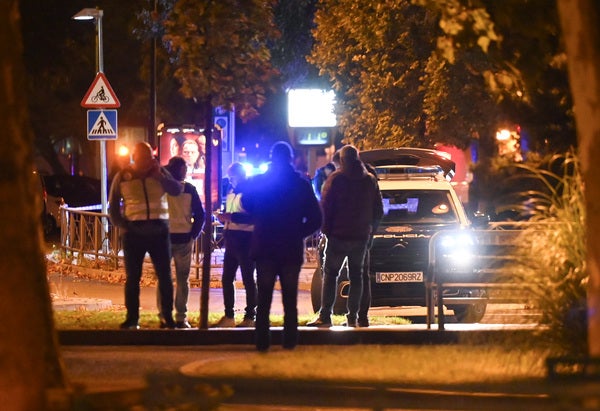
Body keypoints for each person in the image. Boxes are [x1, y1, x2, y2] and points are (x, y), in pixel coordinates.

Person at [242, 141, 322, 351]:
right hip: (290, 247)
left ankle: (262, 342)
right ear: (290, 158)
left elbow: (246, 203)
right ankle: (290, 342)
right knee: (289, 297)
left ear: (271, 157)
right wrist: (299, 233)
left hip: (265, 245)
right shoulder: (301, 184)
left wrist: (260, 218)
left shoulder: (260, 182)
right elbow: (315, 218)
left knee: (264, 296)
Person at [108, 142, 183, 329]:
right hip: (134, 233)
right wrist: (123, 225)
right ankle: (132, 318)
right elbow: (113, 204)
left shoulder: (160, 173)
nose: (147, 161)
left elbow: (177, 190)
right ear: (135, 158)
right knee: (133, 278)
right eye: (143, 157)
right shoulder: (124, 176)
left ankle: (167, 317)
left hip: (159, 231)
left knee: (164, 276)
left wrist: (160, 178)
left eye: (149, 157)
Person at [308, 144, 383, 328]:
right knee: (358, 277)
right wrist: (370, 232)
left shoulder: (336, 179)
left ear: (342, 160)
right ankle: (354, 318)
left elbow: (326, 207)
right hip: (360, 237)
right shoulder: (369, 180)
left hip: (338, 237)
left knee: (330, 275)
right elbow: (378, 210)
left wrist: (326, 231)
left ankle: (325, 315)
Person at [157, 156, 205, 328]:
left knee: (164, 279)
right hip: (184, 238)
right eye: (184, 169)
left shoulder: (162, 188)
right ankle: (180, 317)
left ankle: (163, 314)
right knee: (182, 280)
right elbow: (200, 214)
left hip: (165, 238)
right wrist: (194, 234)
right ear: (181, 171)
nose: (186, 171)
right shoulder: (190, 189)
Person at [213, 162, 257, 328]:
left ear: (240, 175)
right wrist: (224, 218)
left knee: (248, 279)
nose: (230, 180)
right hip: (232, 239)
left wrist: (231, 217)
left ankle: (250, 316)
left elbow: (254, 216)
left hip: (246, 239)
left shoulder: (250, 192)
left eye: (233, 177)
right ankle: (229, 315)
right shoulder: (232, 191)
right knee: (226, 279)